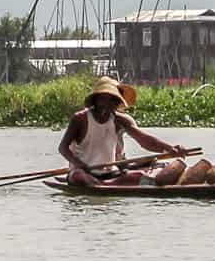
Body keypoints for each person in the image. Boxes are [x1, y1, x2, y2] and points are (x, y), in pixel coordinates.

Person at [57, 77, 190, 186]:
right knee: (77, 176)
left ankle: (106, 184)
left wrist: (170, 148)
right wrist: (79, 164)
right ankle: (104, 185)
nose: (108, 103)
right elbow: (63, 148)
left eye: (113, 100)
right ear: (96, 100)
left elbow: (144, 140)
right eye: (104, 98)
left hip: (111, 173)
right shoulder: (79, 119)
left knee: (141, 173)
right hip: (84, 172)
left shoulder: (120, 120)